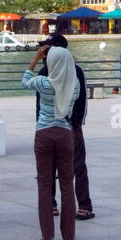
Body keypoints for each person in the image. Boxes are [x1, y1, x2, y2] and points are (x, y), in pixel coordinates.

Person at [32, 32, 93, 221]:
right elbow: (39, 102)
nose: (44, 52)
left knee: (78, 165)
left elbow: (81, 101)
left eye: (48, 48)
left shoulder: (76, 71)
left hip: (70, 126)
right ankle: (51, 203)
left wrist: (75, 124)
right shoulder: (44, 72)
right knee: (47, 167)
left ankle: (84, 205)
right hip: (48, 127)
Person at [22, 44, 79, 240]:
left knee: (44, 184)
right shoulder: (75, 85)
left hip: (44, 134)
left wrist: (36, 58)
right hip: (65, 133)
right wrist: (68, 61)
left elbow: (24, 81)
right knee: (67, 184)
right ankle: (69, 234)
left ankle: (47, 233)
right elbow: (69, 73)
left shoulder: (43, 82)